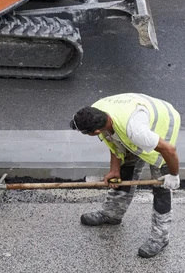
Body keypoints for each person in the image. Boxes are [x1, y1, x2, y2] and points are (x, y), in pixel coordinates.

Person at [70, 93, 181, 259]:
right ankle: (112, 214)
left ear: (96, 131)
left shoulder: (136, 131)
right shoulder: (97, 112)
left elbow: (169, 150)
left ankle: (160, 238)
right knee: (124, 171)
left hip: (162, 125)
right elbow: (114, 140)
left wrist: (173, 175)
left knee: (161, 187)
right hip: (135, 123)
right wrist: (114, 169)